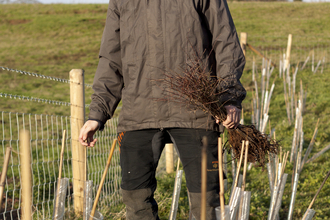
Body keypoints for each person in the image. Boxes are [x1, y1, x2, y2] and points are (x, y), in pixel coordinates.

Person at [79, 0, 246, 219]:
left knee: (207, 202)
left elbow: (227, 44)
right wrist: (97, 114)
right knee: (136, 202)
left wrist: (229, 97)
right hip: (139, 112)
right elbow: (111, 58)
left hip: (195, 110)